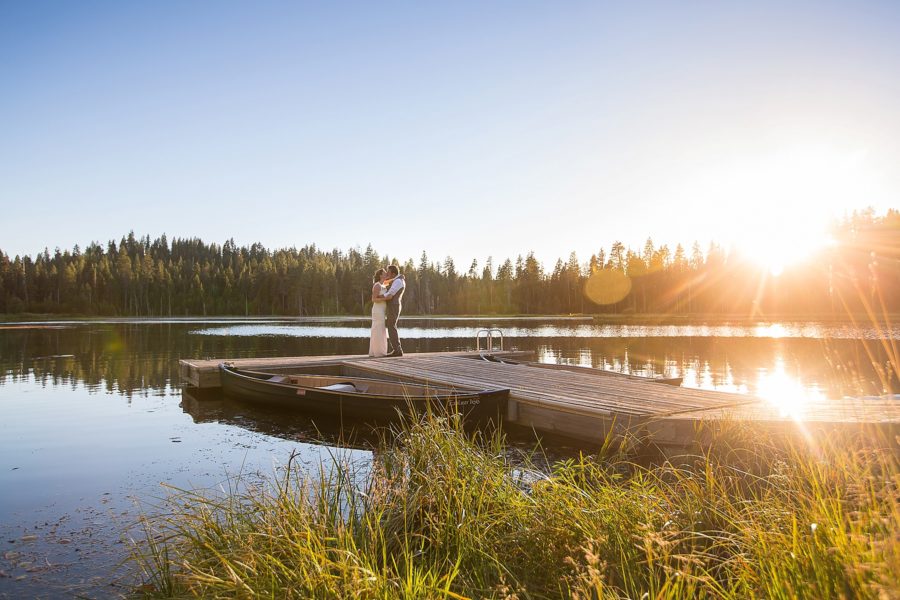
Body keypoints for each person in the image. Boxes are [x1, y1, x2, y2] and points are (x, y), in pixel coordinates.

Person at [382, 264, 406, 356]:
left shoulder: (398, 281)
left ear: (393, 273)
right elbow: (385, 285)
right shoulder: (396, 280)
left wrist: (378, 297)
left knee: (391, 326)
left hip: (393, 305)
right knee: (391, 326)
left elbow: (390, 294)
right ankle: (397, 349)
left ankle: (397, 350)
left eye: (388, 272)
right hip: (394, 305)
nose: (387, 274)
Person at [368, 269, 389, 357]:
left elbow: (392, 280)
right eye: (384, 273)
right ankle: (378, 352)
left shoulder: (384, 284)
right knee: (378, 329)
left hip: (382, 310)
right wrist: (385, 298)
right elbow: (374, 299)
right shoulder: (377, 285)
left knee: (381, 329)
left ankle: (377, 351)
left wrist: (400, 277)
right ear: (380, 275)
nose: (386, 273)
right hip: (378, 310)